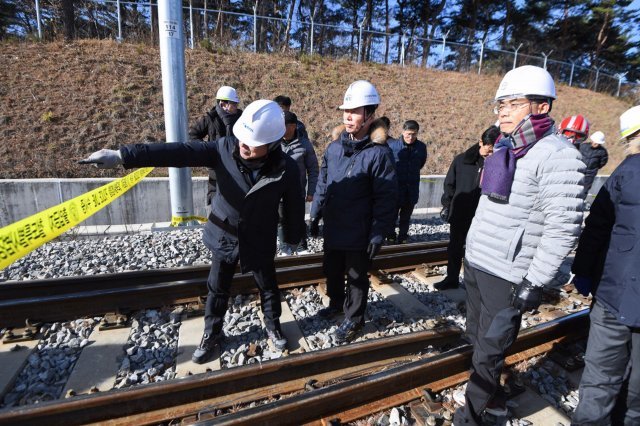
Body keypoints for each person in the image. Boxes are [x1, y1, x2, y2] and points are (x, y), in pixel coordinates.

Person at [82, 100, 306, 364]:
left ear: (272, 144)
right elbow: (178, 152)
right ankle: (211, 333)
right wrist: (123, 156)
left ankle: (272, 325)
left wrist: (293, 237)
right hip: (224, 235)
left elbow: (294, 205)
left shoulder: (287, 168)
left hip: (259, 238)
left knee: (268, 286)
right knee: (217, 288)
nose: (244, 144)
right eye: (242, 138)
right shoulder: (223, 149)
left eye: (252, 141)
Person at [454, 65, 585, 425]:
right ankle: (494, 399)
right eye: (500, 105)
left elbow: (563, 228)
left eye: (513, 103)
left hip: (509, 271)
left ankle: (473, 415)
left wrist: (536, 281)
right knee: (477, 340)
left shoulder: (559, 155)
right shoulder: (505, 146)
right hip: (480, 261)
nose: (503, 111)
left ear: (541, 107)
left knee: (489, 351)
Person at [309, 80, 397, 344]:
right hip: (335, 224)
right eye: (346, 111)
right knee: (332, 269)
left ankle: (354, 319)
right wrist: (315, 213)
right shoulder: (334, 147)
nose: (348, 116)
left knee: (357, 277)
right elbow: (323, 182)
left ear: (370, 115)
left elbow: (386, 197)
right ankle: (336, 304)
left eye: (355, 111)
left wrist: (378, 232)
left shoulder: (379, 154)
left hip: (359, 228)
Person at [571, 105, 640, 426]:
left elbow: (596, 228)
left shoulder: (625, 173)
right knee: (637, 394)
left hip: (612, 295)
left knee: (599, 382)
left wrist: (583, 271)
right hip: (618, 295)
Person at [434, 125, 499, 291]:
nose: (489, 153)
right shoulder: (462, 160)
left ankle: (474, 284)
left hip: (483, 216)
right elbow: (450, 184)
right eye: (487, 149)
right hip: (460, 212)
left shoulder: (497, 164)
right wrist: (447, 205)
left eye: (493, 150)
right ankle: (452, 278)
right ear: (480, 143)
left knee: (478, 251)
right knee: (455, 247)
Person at [189, 86, 242, 205]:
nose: (236, 107)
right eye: (233, 103)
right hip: (216, 168)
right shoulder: (210, 118)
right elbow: (193, 135)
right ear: (223, 104)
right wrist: (207, 150)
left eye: (236, 103)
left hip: (237, 167)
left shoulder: (242, 119)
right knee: (215, 200)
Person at [278, 110, 319, 254]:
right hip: (278, 192)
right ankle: (284, 247)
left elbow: (313, 169)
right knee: (282, 220)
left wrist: (311, 191)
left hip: (298, 191)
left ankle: (301, 246)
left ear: (293, 126)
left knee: (298, 219)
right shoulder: (273, 143)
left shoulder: (305, 145)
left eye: (284, 125)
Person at [387, 120, 428, 244]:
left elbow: (421, 163)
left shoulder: (421, 147)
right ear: (403, 131)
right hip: (395, 188)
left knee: (406, 216)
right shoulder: (392, 146)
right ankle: (390, 235)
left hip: (411, 189)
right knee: (392, 215)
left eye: (414, 134)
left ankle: (403, 236)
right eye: (408, 134)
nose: (410, 137)